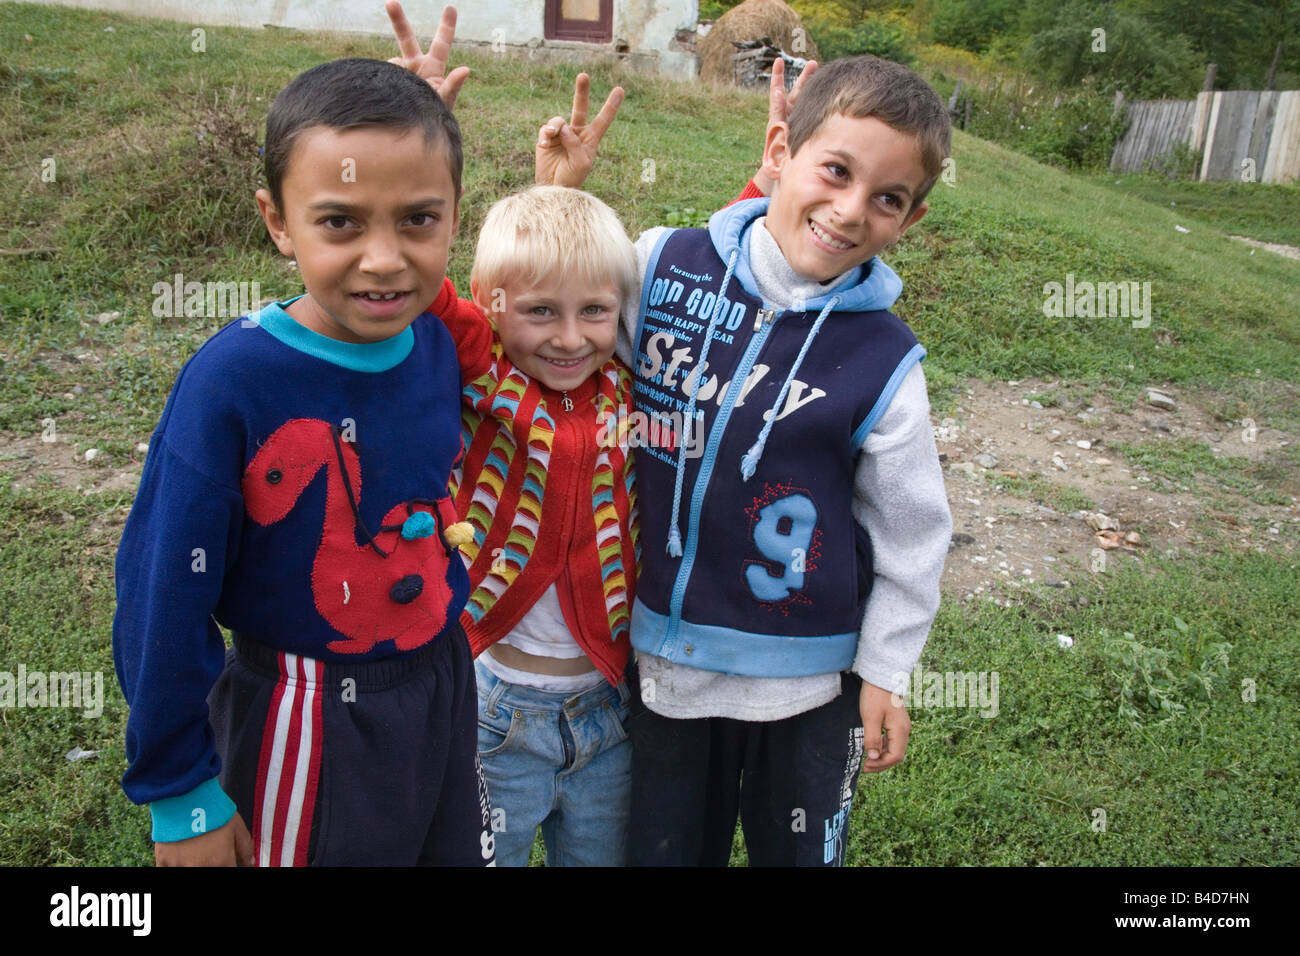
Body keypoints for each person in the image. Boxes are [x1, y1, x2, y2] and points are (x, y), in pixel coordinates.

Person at [539, 54, 955, 866]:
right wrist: (559, 198)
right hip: (662, 665)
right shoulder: (661, 264)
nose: (849, 210)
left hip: (809, 688)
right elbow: (556, 326)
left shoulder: (885, 360)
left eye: (887, 199)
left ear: (911, 218)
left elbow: (913, 534)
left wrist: (885, 670)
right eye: (835, 170)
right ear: (780, 149)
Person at [111, 53, 494, 866]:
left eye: (418, 218)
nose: (385, 258)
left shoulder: (432, 341)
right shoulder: (234, 383)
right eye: (341, 222)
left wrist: (416, 115)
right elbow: (161, 595)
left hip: (441, 684)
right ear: (277, 220)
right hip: (307, 710)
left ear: (456, 214)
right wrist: (180, 791)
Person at [424, 186, 641, 866]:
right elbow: (427, 287)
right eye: (541, 312)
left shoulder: (628, 386)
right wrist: (419, 144)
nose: (570, 337)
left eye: (595, 312)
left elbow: (717, 298)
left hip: (609, 710)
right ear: (491, 305)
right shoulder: (487, 375)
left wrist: (772, 180)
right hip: (496, 715)